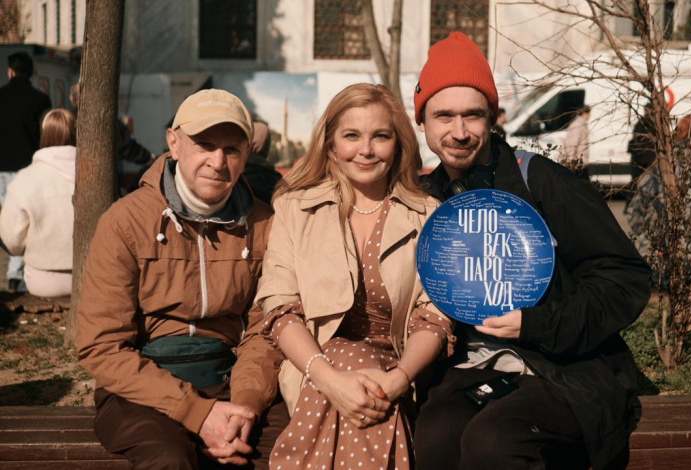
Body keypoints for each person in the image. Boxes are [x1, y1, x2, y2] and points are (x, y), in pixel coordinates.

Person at [413, 32, 651, 470]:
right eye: (443, 115)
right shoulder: (426, 198)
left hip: (565, 368)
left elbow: (625, 278)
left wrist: (537, 324)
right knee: (434, 442)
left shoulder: (539, 181)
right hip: (473, 368)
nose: (459, 132)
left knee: (494, 442)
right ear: (422, 121)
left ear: (492, 117)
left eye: (473, 115)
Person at [76, 89, 288, 469]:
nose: (217, 162)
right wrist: (196, 412)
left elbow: (265, 330)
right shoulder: (125, 222)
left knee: (290, 447)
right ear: (174, 143)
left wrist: (244, 406)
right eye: (204, 145)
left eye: (231, 149)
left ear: (246, 156)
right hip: (139, 390)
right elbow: (102, 345)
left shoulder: (264, 224)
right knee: (169, 460)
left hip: (230, 378)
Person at [253, 83, 454, 469]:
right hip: (312, 366)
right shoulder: (294, 208)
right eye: (351, 136)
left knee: (364, 379)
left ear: (398, 144)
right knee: (350, 362)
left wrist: (400, 378)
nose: (366, 149)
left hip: (398, 368)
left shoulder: (428, 214)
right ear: (330, 144)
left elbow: (435, 315)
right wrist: (329, 379)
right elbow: (280, 309)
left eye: (380, 136)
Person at [626, 114, 691, 265]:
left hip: (664, 262)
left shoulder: (661, 170)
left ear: (679, 134)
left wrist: (653, 239)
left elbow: (635, 215)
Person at [0, 109, 76, 298]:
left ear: (42, 135)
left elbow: (12, 244)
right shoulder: (97, 176)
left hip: (42, 281)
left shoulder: (25, 179)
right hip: (92, 277)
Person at [0, 51, 52, 292]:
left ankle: (13, 271)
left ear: (10, 71)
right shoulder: (40, 100)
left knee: (7, 221)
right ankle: (15, 272)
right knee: (23, 221)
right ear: (30, 73)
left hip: (1, 168)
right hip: (28, 168)